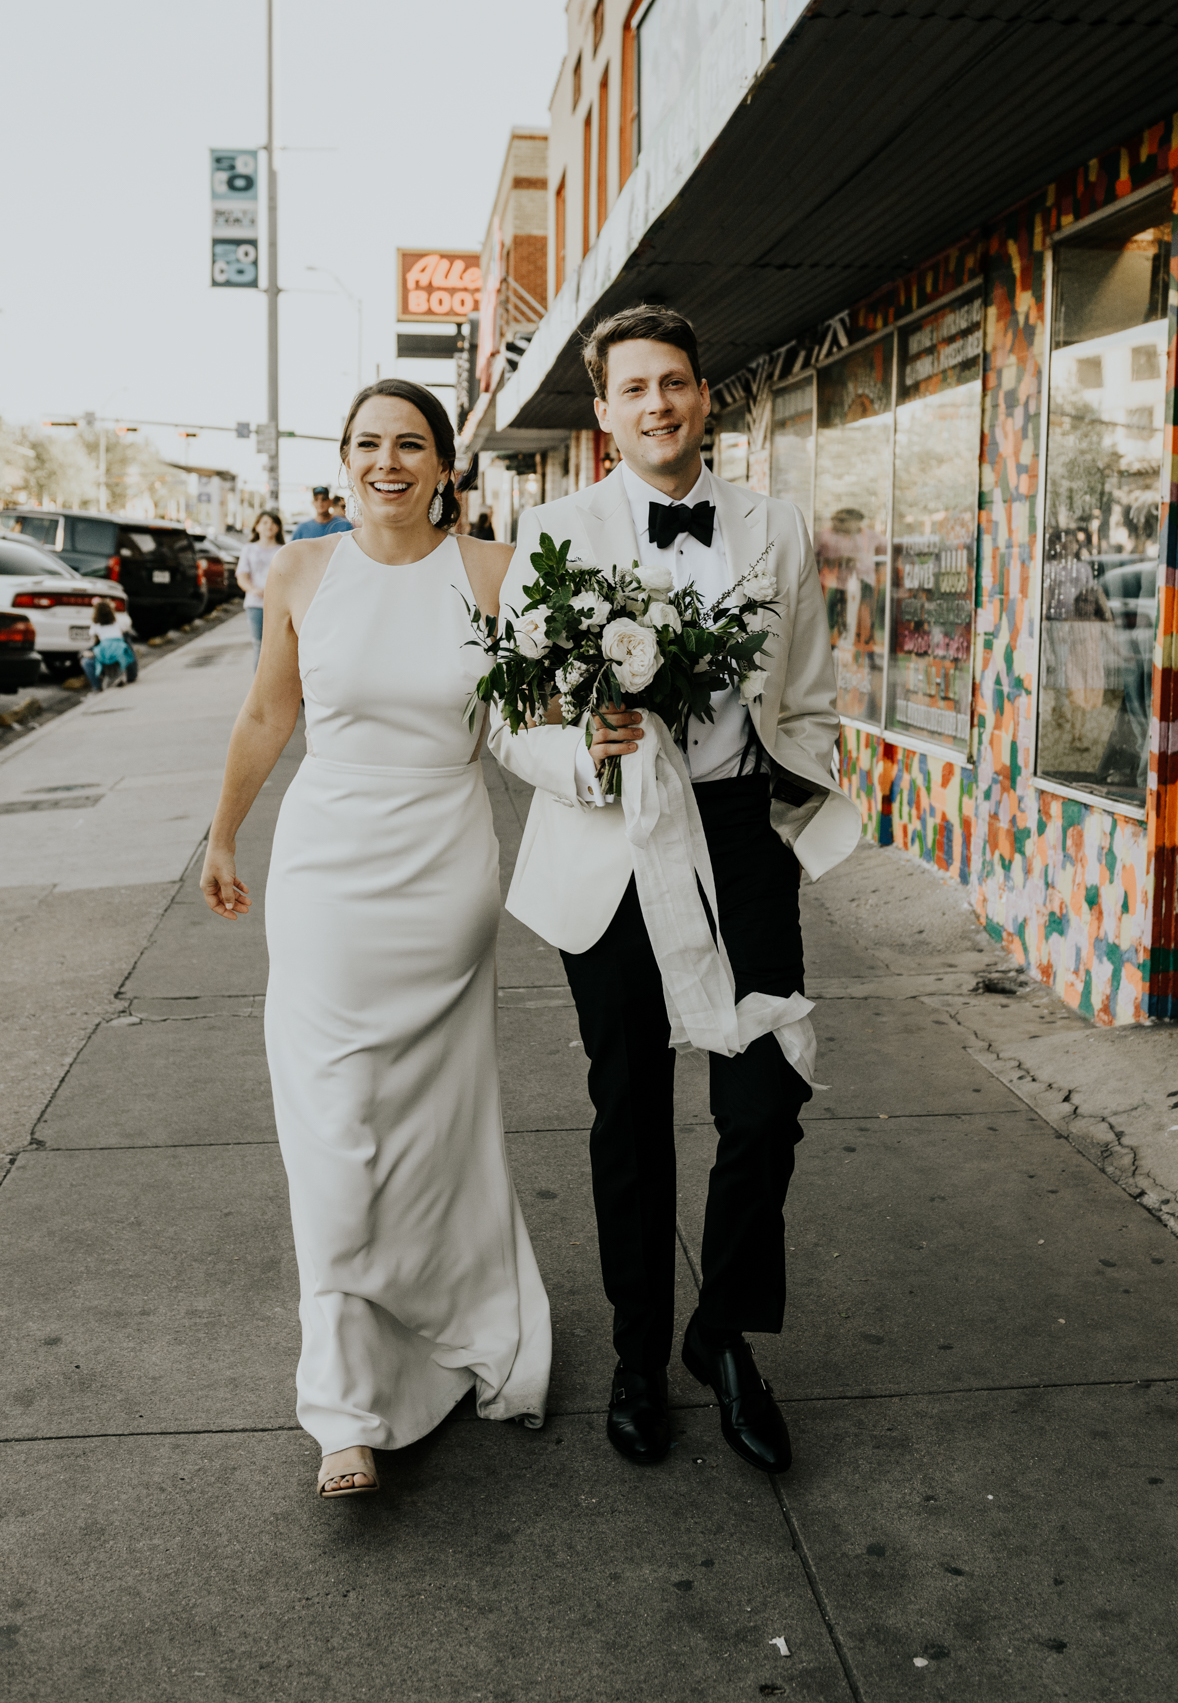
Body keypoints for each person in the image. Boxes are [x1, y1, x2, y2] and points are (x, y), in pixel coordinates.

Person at [490, 304, 860, 1477]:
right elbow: (508, 715)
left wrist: (799, 805)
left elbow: (804, 687)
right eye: (635, 386)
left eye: (678, 382)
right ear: (602, 411)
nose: (658, 402)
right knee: (631, 1109)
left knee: (764, 1100)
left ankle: (724, 1334)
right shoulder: (555, 530)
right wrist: (584, 753)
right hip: (612, 843)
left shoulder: (778, 524)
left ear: (708, 398)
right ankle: (641, 1353)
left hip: (743, 836)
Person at [200, 378, 551, 1501]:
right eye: (368, 443)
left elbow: (528, 726)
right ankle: (345, 1399)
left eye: (411, 443)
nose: (388, 461)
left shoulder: (493, 572)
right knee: (334, 1126)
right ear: (343, 457)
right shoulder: (301, 567)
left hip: (442, 869)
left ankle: (449, 1322)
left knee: (431, 1128)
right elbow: (268, 714)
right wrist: (221, 835)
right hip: (324, 873)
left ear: (448, 462)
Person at [236, 509, 284, 669]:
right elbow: (242, 577)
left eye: (273, 523)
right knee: (259, 647)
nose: (269, 526)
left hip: (279, 606)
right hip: (256, 605)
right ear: (257, 527)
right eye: (265, 522)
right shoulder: (249, 549)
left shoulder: (284, 549)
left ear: (278, 527)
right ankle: (260, 692)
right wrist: (253, 590)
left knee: (279, 648)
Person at [79, 598, 137, 690]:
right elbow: (124, 630)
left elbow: (92, 634)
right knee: (126, 655)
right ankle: (123, 675)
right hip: (119, 649)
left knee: (88, 660)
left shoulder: (96, 625)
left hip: (104, 651)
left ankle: (97, 687)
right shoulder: (117, 623)